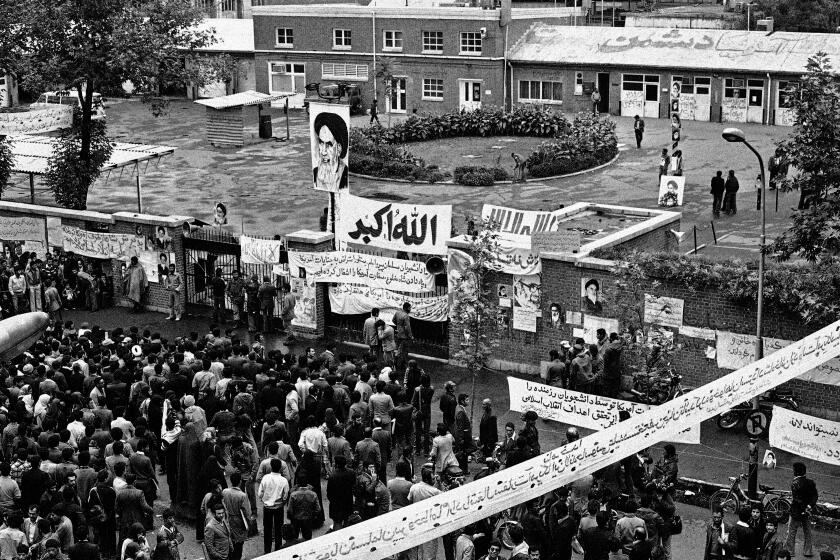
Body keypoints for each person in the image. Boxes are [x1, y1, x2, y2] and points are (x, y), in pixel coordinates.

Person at [785, 462, 817, 558]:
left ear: (796, 471)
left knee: (792, 531)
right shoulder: (811, 482)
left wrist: (803, 507)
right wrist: (809, 506)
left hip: (796, 511)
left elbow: (797, 499)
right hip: (807, 510)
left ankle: (790, 551)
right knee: (807, 531)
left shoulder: (795, 483)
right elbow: (815, 496)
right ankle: (808, 551)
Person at [313, 112, 349, 193]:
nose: (323, 152)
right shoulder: (315, 173)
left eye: (329, 145)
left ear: (339, 148)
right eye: (321, 143)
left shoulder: (346, 176)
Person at [258, 458, 289, 553]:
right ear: (280, 468)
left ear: (271, 467)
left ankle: (267, 551)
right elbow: (285, 495)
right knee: (279, 529)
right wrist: (282, 502)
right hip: (279, 507)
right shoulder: (284, 480)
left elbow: (260, 493)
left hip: (267, 507)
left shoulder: (265, 478)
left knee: (267, 529)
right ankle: (278, 550)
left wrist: (264, 500)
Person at [221, 473, 250, 560]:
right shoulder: (242, 495)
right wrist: (248, 523)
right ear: (240, 481)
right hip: (238, 520)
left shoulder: (225, 491)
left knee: (229, 539)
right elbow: (246, 511)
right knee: (239, 542)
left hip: (227, 518)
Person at [393, 302, 413, 372]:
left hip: (399, 334)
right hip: (404, 336)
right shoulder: (406, 316)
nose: (410, 309)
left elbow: (393, 320)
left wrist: (399, 326)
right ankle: (399, 363)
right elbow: (408, 327)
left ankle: (399, 362)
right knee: (404, 351)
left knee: (400, 349)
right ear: (406, 308)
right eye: (409, 308)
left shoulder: (397, 312)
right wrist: (410, 336)